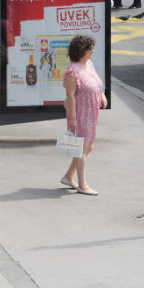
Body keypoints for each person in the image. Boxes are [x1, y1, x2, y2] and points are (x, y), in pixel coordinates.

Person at [60, 34, 107, 196]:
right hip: (80, 112)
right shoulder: (72, 72)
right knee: (83, 147)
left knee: (87, 146)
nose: (93, 51)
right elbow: (71, 96)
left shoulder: (88, 64)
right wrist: (73, 119)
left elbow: (96, 82)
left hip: (91, 111)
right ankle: (82, 184)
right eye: (90, 49)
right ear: (81, 51)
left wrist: (101, 95)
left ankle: (68, 177)